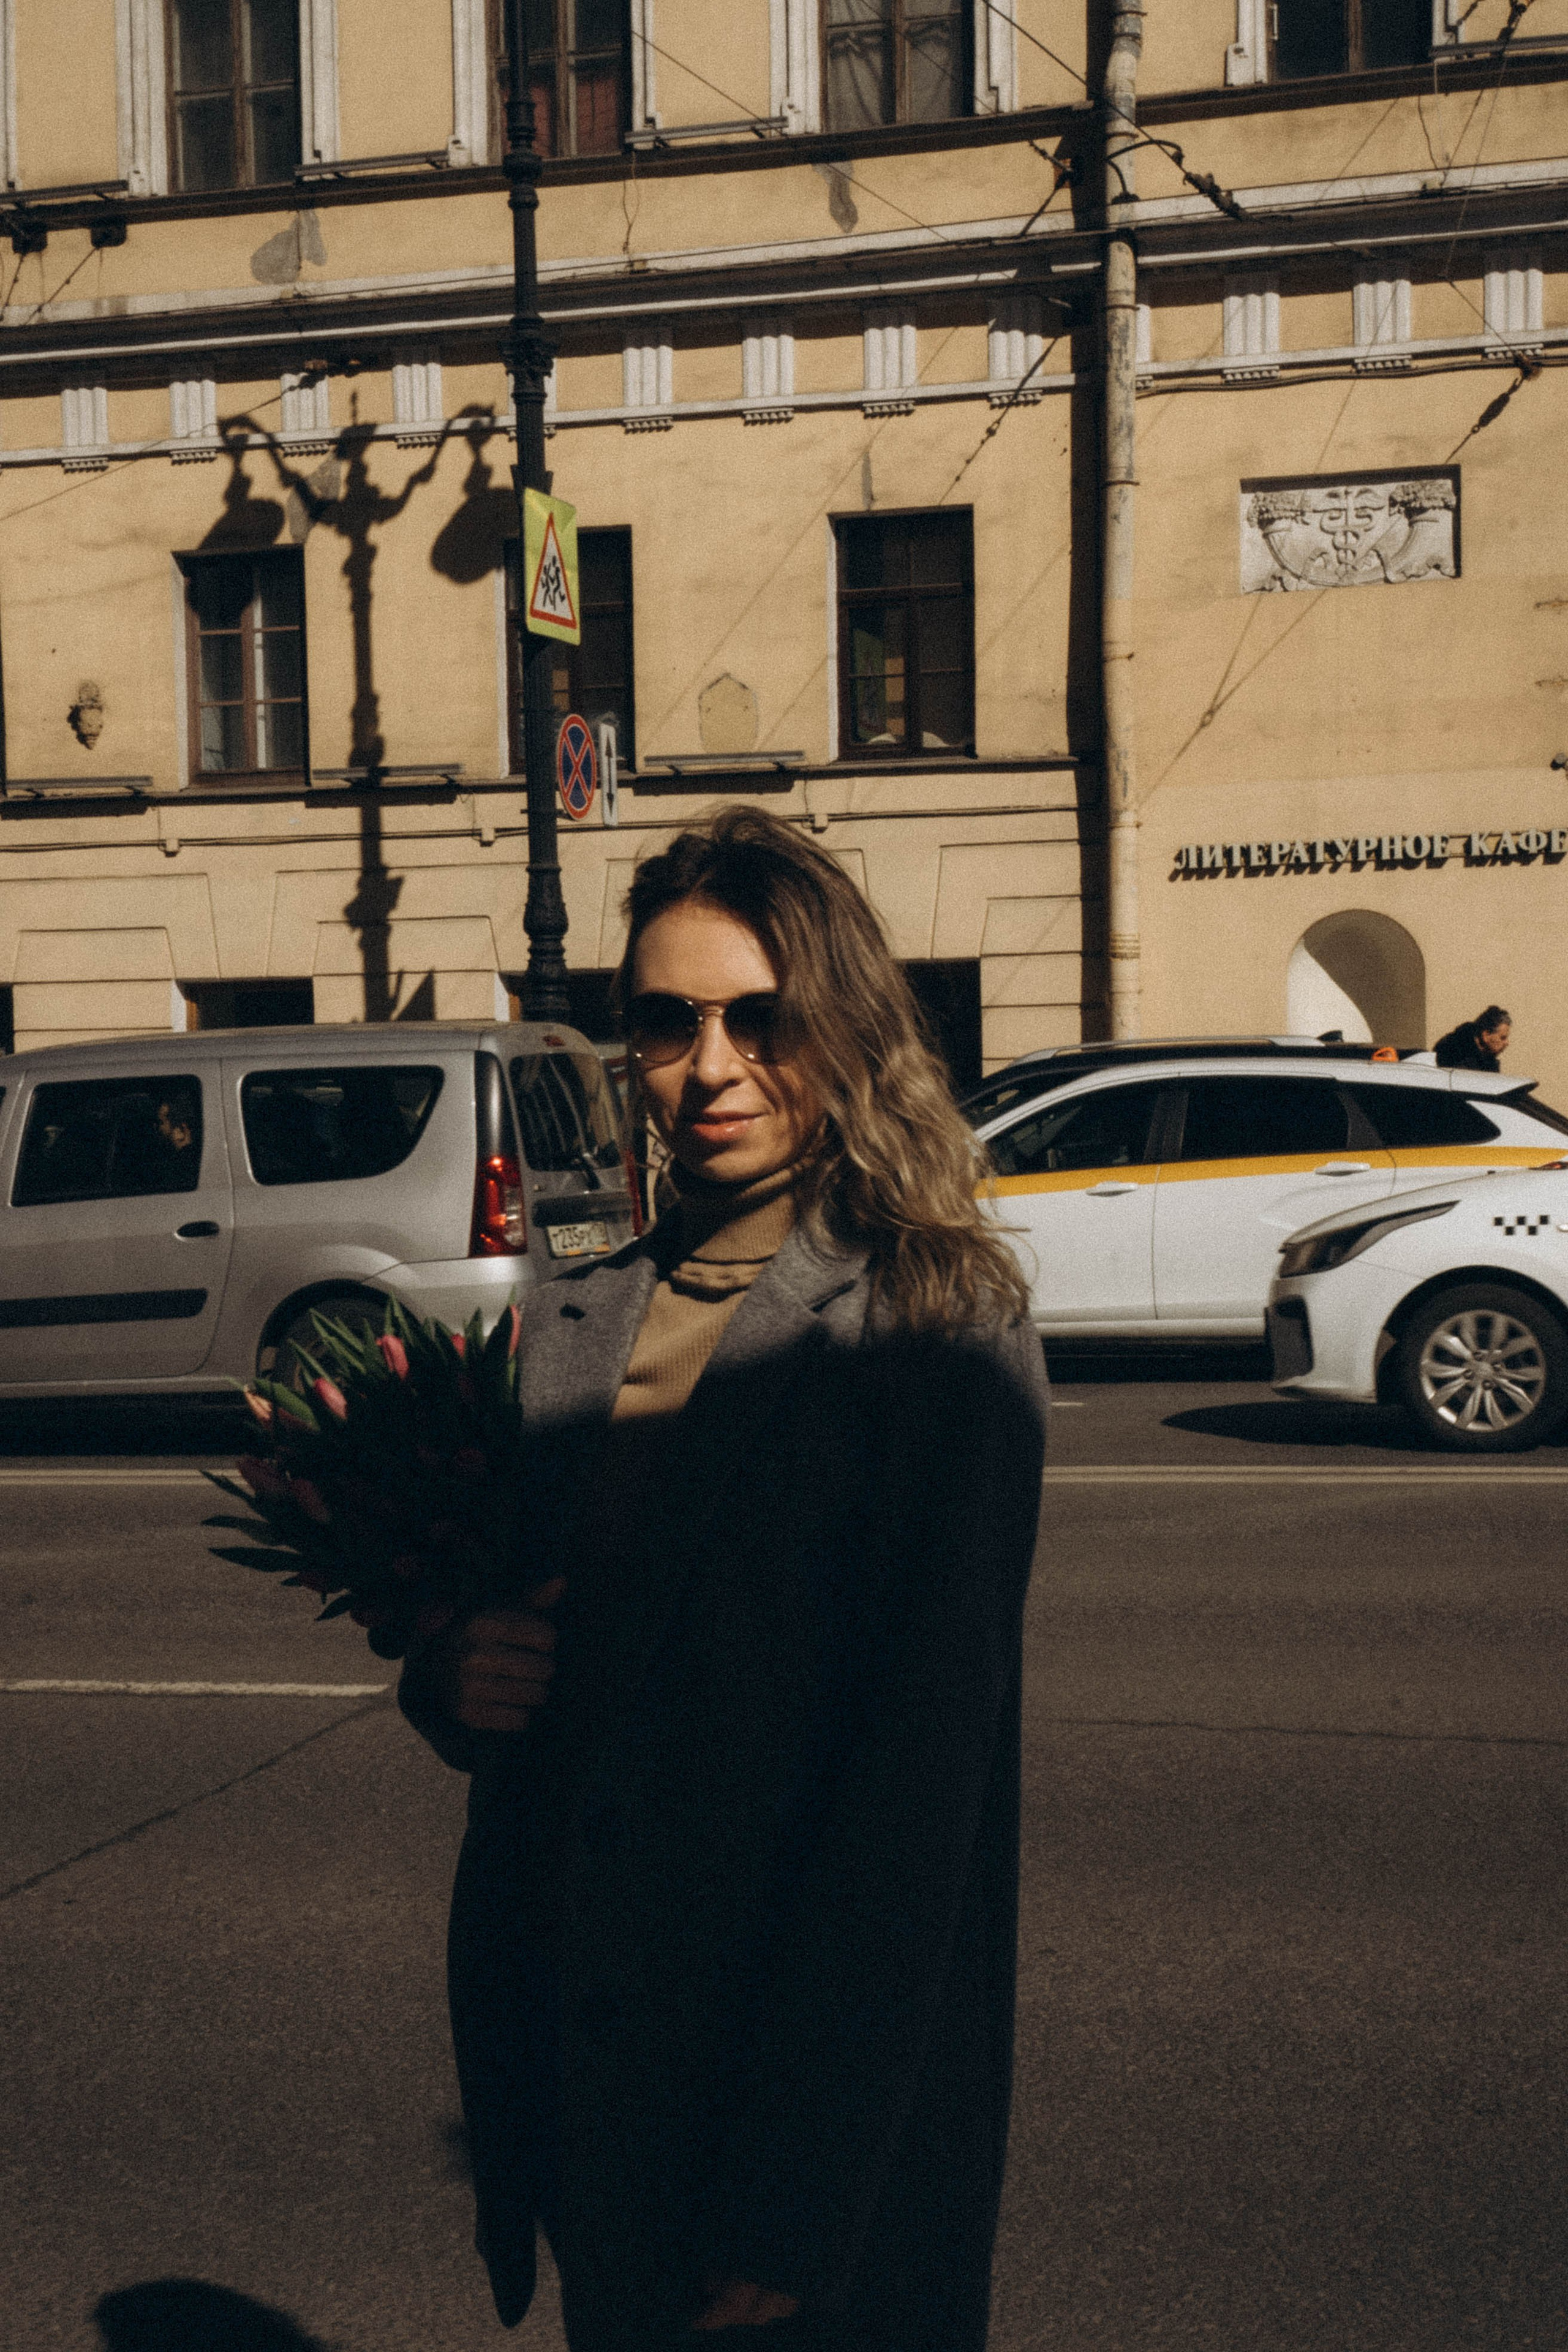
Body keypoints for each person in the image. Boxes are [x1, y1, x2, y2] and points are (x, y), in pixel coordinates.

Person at [400, 807, 1048, 2352]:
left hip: (783, 2099)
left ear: (841, 1026)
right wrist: (448, 1672)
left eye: (760, 1019)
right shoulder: (578, 1311)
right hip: (593, 2072)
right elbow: (541, 1670)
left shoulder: (931, 1321)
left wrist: (800, 2184)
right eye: (666, 1019)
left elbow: (918, 1797)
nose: (710, 1066)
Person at [1433, 1005, 1511, 1072]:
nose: (1507, 1043)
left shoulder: (1489, 1060)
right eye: (1502, 1038)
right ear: (1486, 1036)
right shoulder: (1453, 1053)